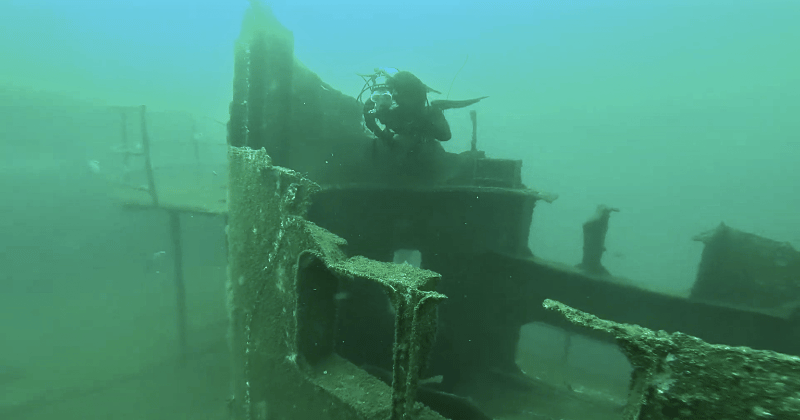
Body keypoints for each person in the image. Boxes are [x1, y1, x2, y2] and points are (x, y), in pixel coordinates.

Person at [360, 68, 487, 148]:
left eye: (399, 93)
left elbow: (445, 136)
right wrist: (384, 136)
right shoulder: (387, 110)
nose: (395, 97)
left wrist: (423, 124)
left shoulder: (430, 113)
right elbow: (369, 115)